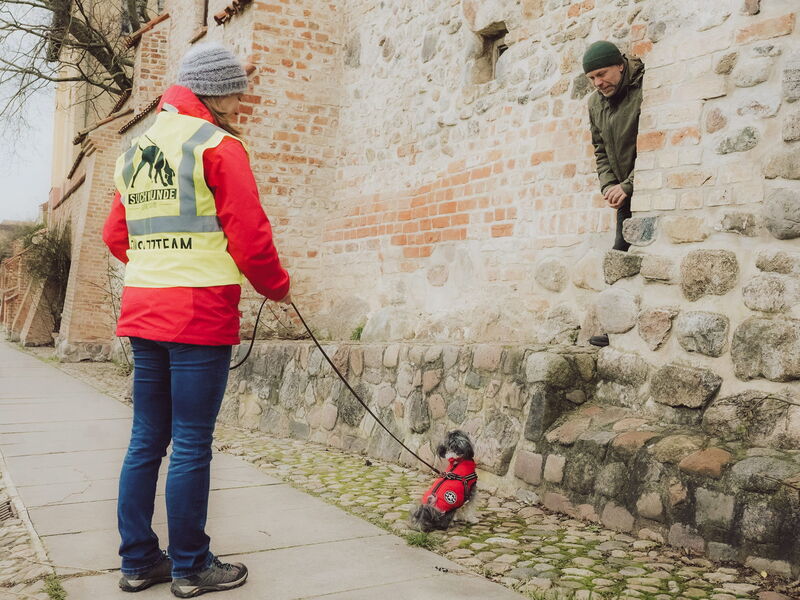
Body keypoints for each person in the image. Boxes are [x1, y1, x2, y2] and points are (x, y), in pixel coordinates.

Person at [103, 43, 291, 598]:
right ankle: (191, 567)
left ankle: (139, 563)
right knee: (190, 443)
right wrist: (276, 287)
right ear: (214, 91)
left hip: (142, 308)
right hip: (198, 314)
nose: (242, 98)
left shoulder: (135, 148)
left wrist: (159, 261)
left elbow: (117, 235)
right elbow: (250, 235)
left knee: (145, 440)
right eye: (236, 88)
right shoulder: (218, 145)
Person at [584, 40, 644, 347]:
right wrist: (609, 185)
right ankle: (613, 328)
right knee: (620, 255)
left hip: (647, 187)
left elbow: (652, 143)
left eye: (603, 74)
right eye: (592, 78)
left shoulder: (642, 88)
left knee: (643, 256)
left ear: (620, 65)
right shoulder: (595, 103)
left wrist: (630, 184)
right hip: (622, 192)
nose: (598, 82)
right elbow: (600, 149)